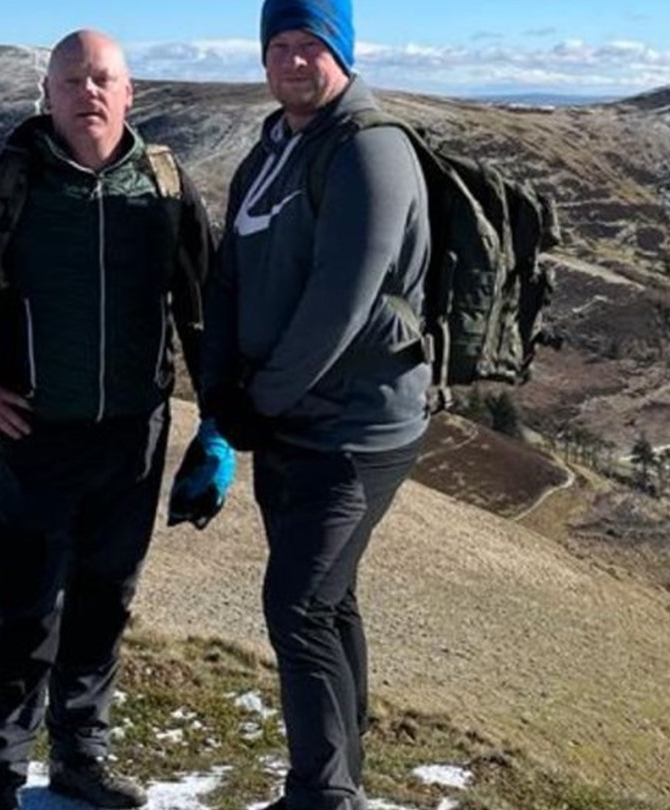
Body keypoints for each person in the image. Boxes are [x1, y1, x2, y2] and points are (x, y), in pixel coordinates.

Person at [0, 29, 230, 810]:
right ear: (47, 97)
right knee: (25, 613)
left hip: (134, 436)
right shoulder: (6, 182)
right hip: (35, 433)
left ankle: (81, 759)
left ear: (130, 95)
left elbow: (205, 311)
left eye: (103, 79)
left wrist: (215, 430)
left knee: (104, 602)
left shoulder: (163, 187)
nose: (88, 92)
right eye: (71, 80)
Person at [201, 1, 431, 808]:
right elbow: (230, 273)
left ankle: (323, 794)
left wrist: (256, 401)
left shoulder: (369, 150)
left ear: (342, 52)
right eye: (280, 46)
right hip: (290, 420)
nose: (293, 61)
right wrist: (220, 389)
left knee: (297, 605)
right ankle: (341, 780)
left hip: (357, 428)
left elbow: (342, 299)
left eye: (311, 45)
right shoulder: (273, 146)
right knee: (328, 603)